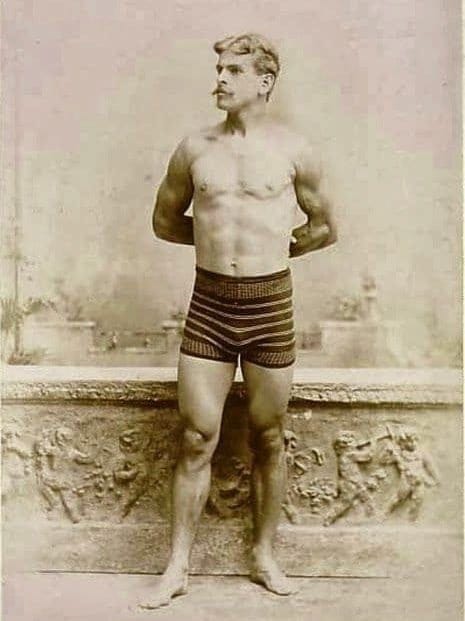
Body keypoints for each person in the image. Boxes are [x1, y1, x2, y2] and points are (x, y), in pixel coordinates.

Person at [139, 32, 337, 610]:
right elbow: (164, 221)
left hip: (271, 305)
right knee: (196, 437)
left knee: (268, 436)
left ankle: (264, 556)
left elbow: (325, 227)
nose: (220, 79)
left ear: (265, 81)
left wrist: (273, 251)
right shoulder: (194, 148)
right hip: (210, 305)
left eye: (233, 70)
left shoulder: (295, 149)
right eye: (219, 69)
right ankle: (177, 567)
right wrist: (214, 245)